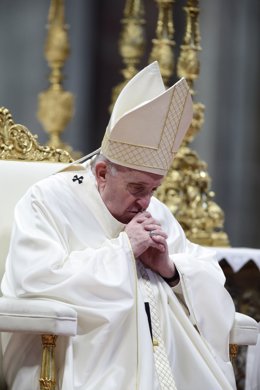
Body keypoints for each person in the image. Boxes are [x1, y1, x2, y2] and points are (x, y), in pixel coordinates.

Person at [1, 62, 237, 390]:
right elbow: (35, 280)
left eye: (153, 189)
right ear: (101, 173)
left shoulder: (157, 212)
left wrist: (169, 270)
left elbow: (209, 277)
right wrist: (124, 250)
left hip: (163, 355)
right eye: (137, 188)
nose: (146, 202)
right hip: (75, 349)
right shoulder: (48, 200)